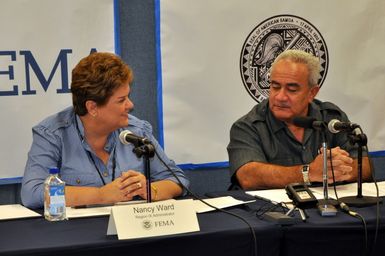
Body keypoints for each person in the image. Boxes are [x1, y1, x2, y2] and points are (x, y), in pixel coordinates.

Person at [21, 52, 189, 209]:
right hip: (77, 235)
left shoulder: (137, 131)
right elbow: (32, 192)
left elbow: (177, 180)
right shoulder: (52, 134)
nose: (130, 105)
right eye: (121, 100)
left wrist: (149, 190)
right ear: (92, 107)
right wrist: (100, 195)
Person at [227, 49, 372, 190]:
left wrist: (336, 169)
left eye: (292, 90)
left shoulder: (331, 119)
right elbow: (248, 177)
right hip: (270, 212)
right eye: (275, 87)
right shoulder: (248, 126)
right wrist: (308, 173)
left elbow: (365, 166)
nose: (280, 97)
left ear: (312, 93)